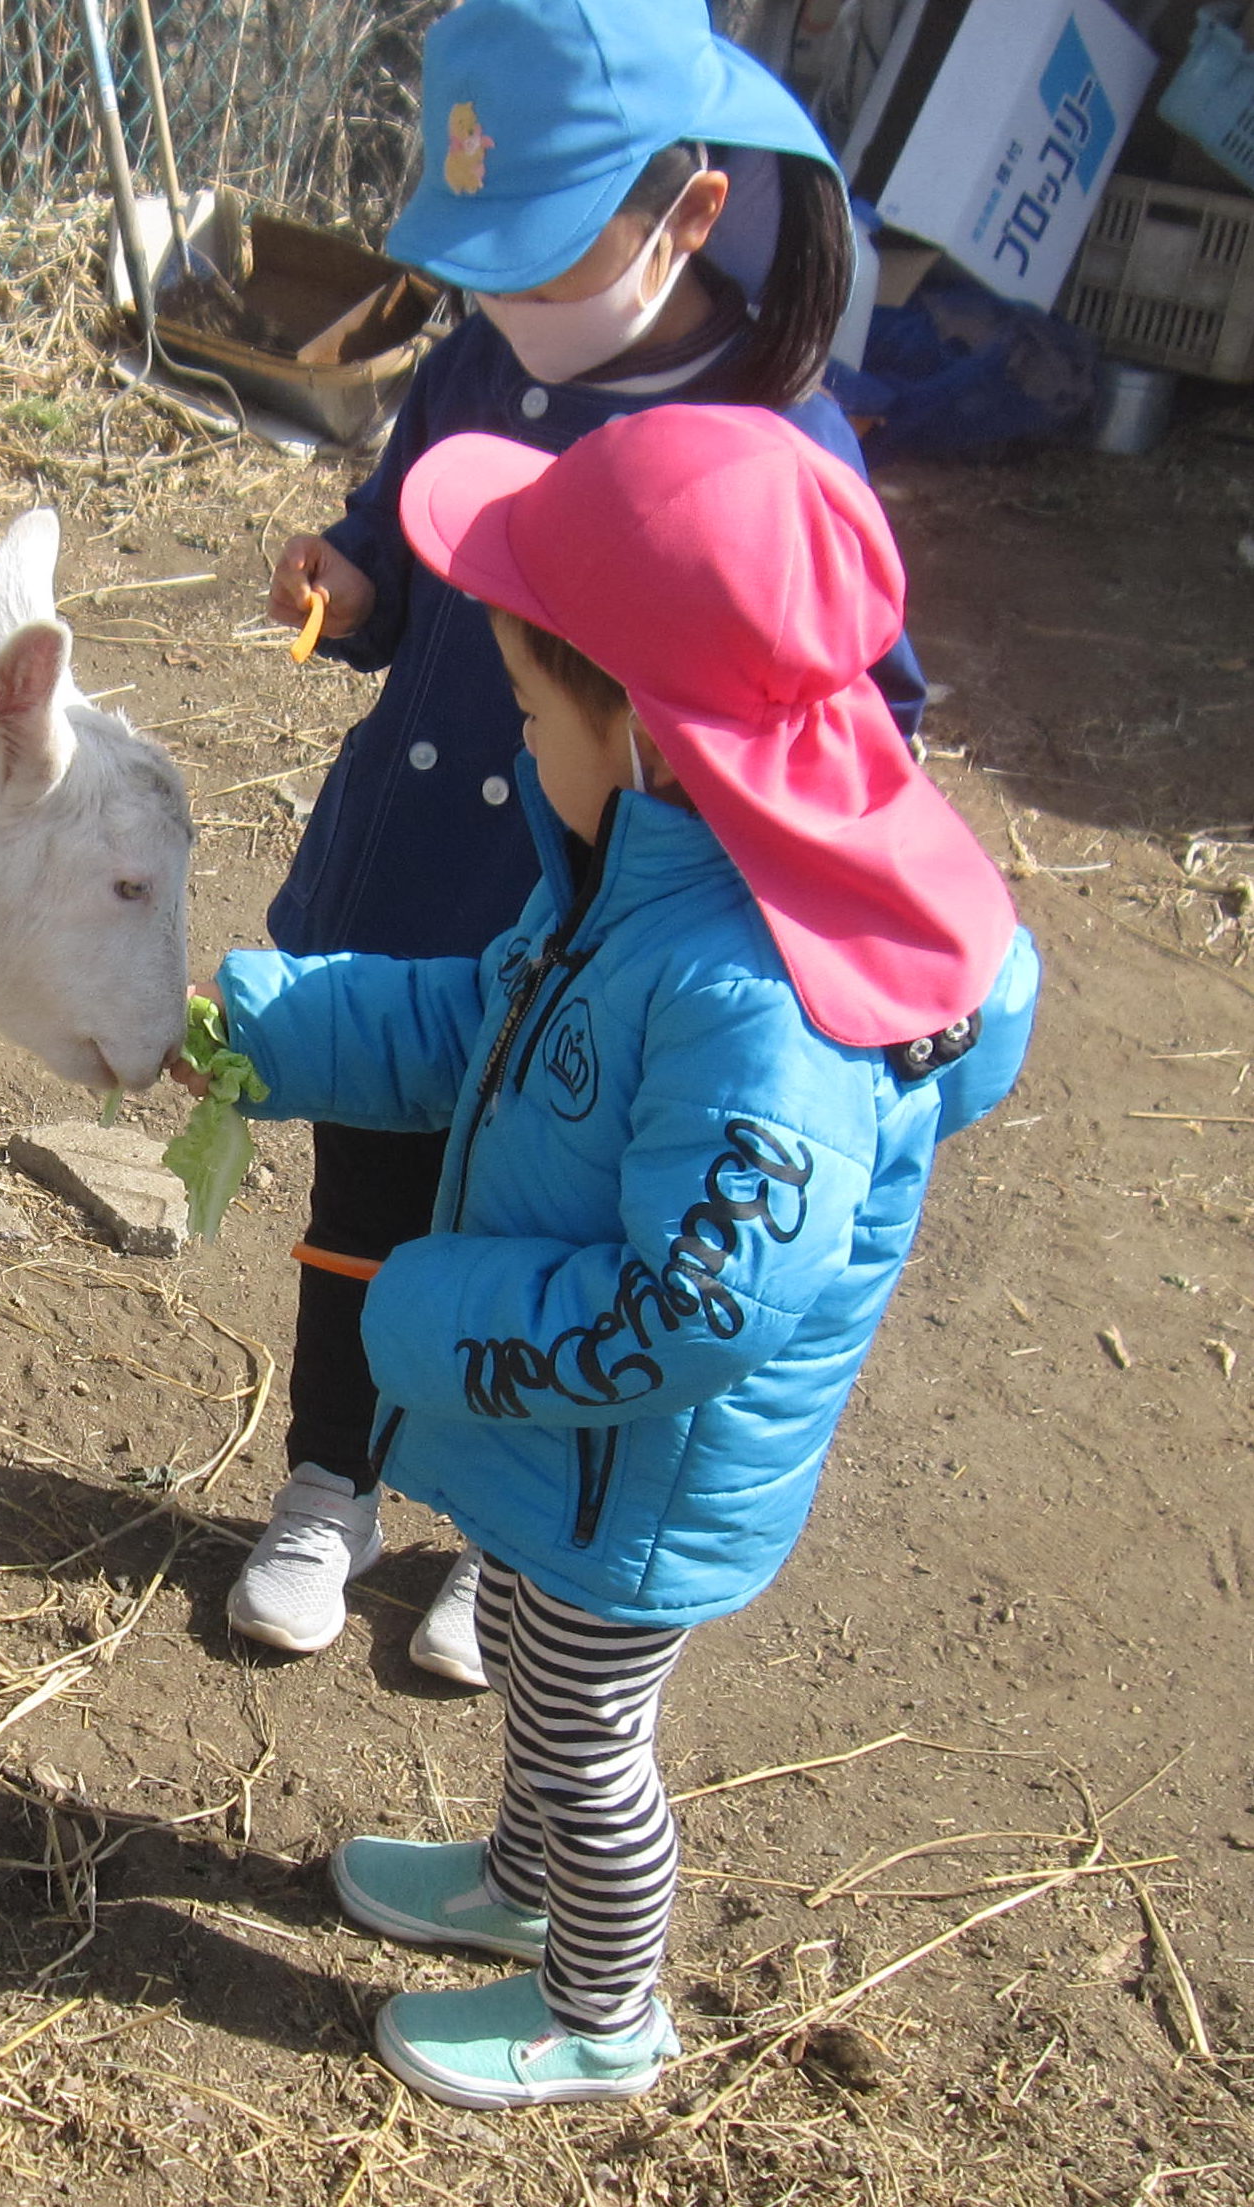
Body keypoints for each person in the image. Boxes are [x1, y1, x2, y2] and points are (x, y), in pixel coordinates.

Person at [186, 404, 1037, 2107]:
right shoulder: (627, 867)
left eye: (521, 704)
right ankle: (516, 1892)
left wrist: (427, 1314)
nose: (510, 733)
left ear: (639, 726)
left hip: (638, 1477)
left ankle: (604, 2006)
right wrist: (285, 1026)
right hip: (583, 1452)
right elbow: (473, 1021)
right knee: (544, 1695)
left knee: (588, 1736)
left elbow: (699, 1297)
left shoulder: (755, 1005)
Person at [233, 0, 929, 1686]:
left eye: (539, 254)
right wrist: (361, 581)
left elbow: (865, 713)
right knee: (367, 1198)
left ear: (686, 210)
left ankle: (508, 1539)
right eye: (480, 260)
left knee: (549, 1241)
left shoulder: (782, 439)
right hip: (416, 883)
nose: (500, 295)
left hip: (592, 948)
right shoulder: (492, 347)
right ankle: (335, 1477)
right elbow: (409, 514)